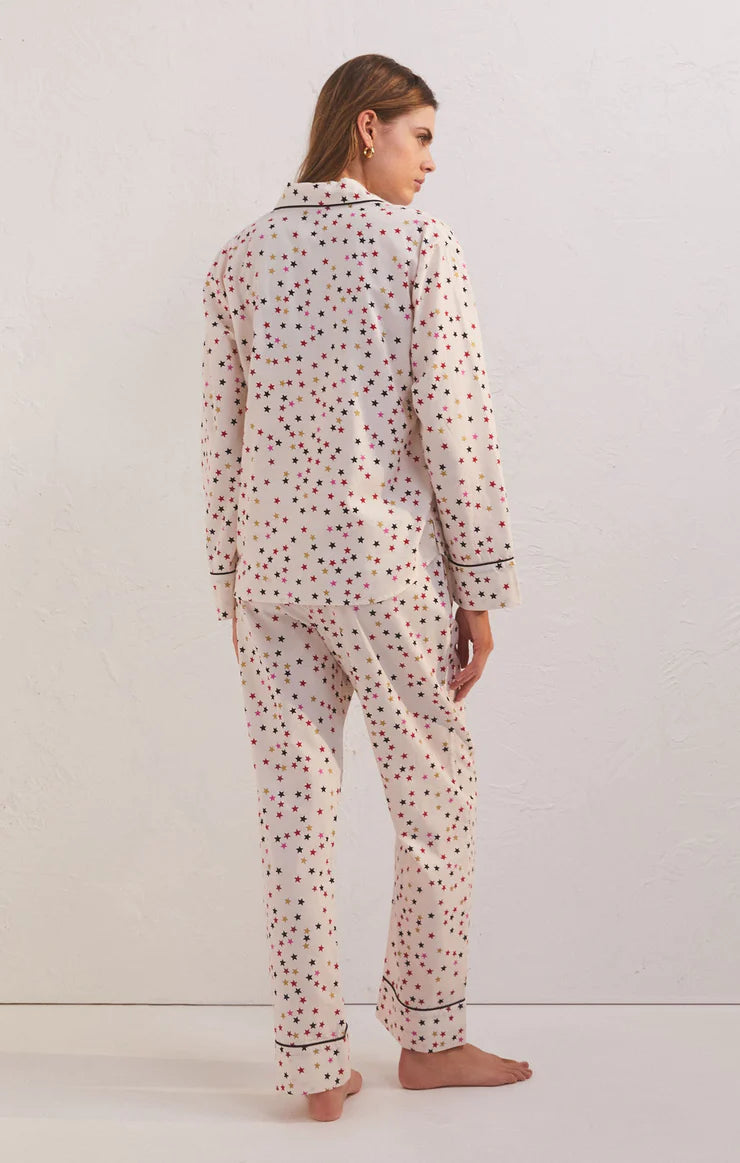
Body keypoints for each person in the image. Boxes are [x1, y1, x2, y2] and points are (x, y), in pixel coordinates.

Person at [200, 53, 531, 1121]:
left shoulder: (238, 259)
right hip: (384, 574)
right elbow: (455, 423)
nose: (430, 162)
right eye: (420, 137)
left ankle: (312, 1063)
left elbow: (220, 440)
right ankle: (429, 1038)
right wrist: (479, 586)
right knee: (433, 801)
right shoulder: (417, 248)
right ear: (366, 129)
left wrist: (229, 580)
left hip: (272, 578)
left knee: (293, 818)